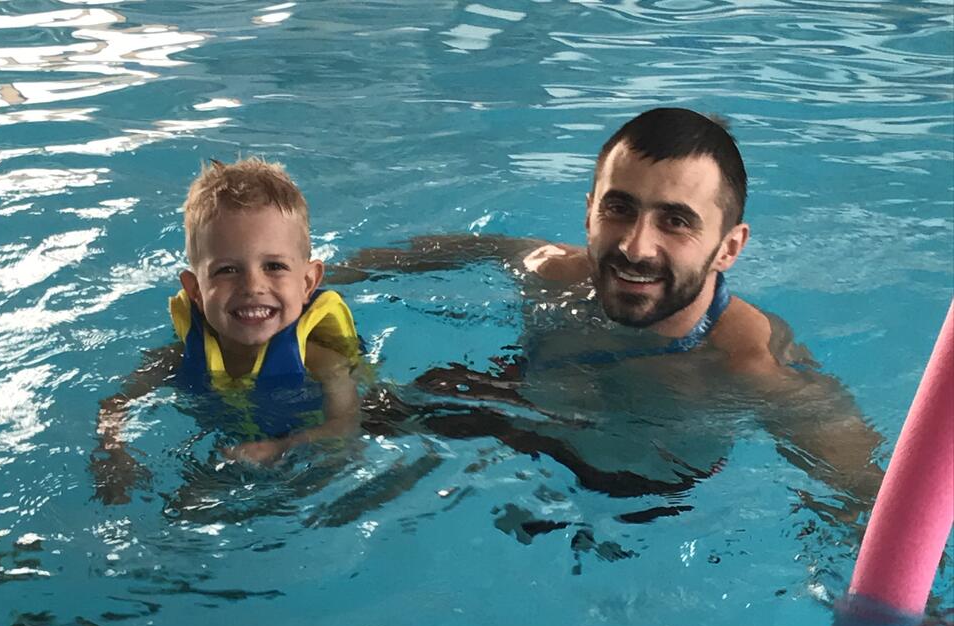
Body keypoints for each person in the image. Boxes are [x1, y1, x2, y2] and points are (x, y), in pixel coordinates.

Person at [334, 107, 884, 519]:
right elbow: (465, 249)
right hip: (523, 414)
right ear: (589, 213)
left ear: (729, 248)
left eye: (676, 221)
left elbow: (862, 496)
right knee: (352, 420)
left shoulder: (753, 366)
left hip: (643, 492)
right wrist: (330, 277)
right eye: (619, 209)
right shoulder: (552, 273)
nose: (635, 247)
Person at [92, 158, 361, 504]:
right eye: (227, 270)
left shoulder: (322, 363)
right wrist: (114, 453)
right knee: (184, 505)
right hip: (234, 446)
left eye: (274, 266)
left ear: (308, 282)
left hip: (304, 451)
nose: (252, 286)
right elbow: (114, 405)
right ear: (195, 290)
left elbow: (345, 427)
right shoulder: (176, 358)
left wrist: (284, 447)